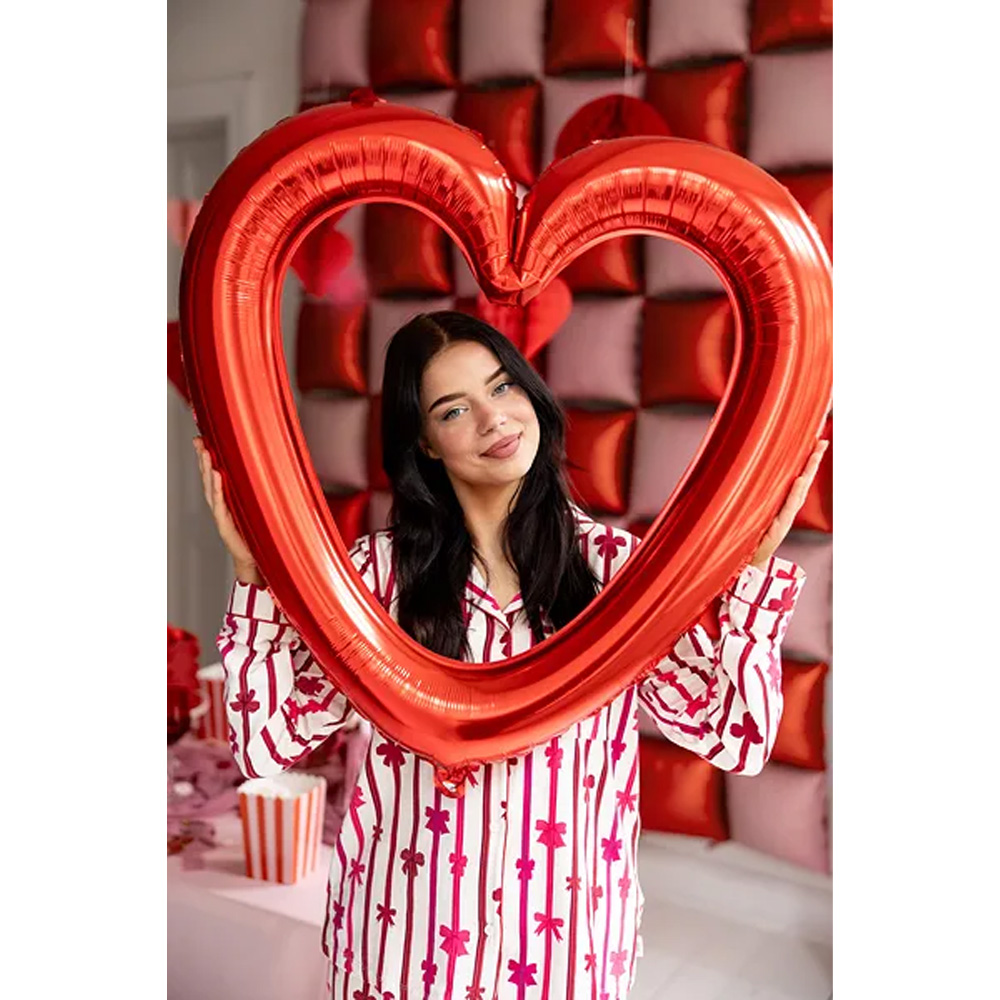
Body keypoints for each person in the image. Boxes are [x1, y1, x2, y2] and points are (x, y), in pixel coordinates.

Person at [193, 310, 827, 1000]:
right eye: (454, 409)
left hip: (566, 959)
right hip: (404, 954)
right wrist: (252, 577)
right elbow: (268, 744)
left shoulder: (617, 573)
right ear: (425, 443)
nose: (493, 419)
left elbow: (736, 735)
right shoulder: (374, 579)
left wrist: (753, 574)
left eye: (502, 387)